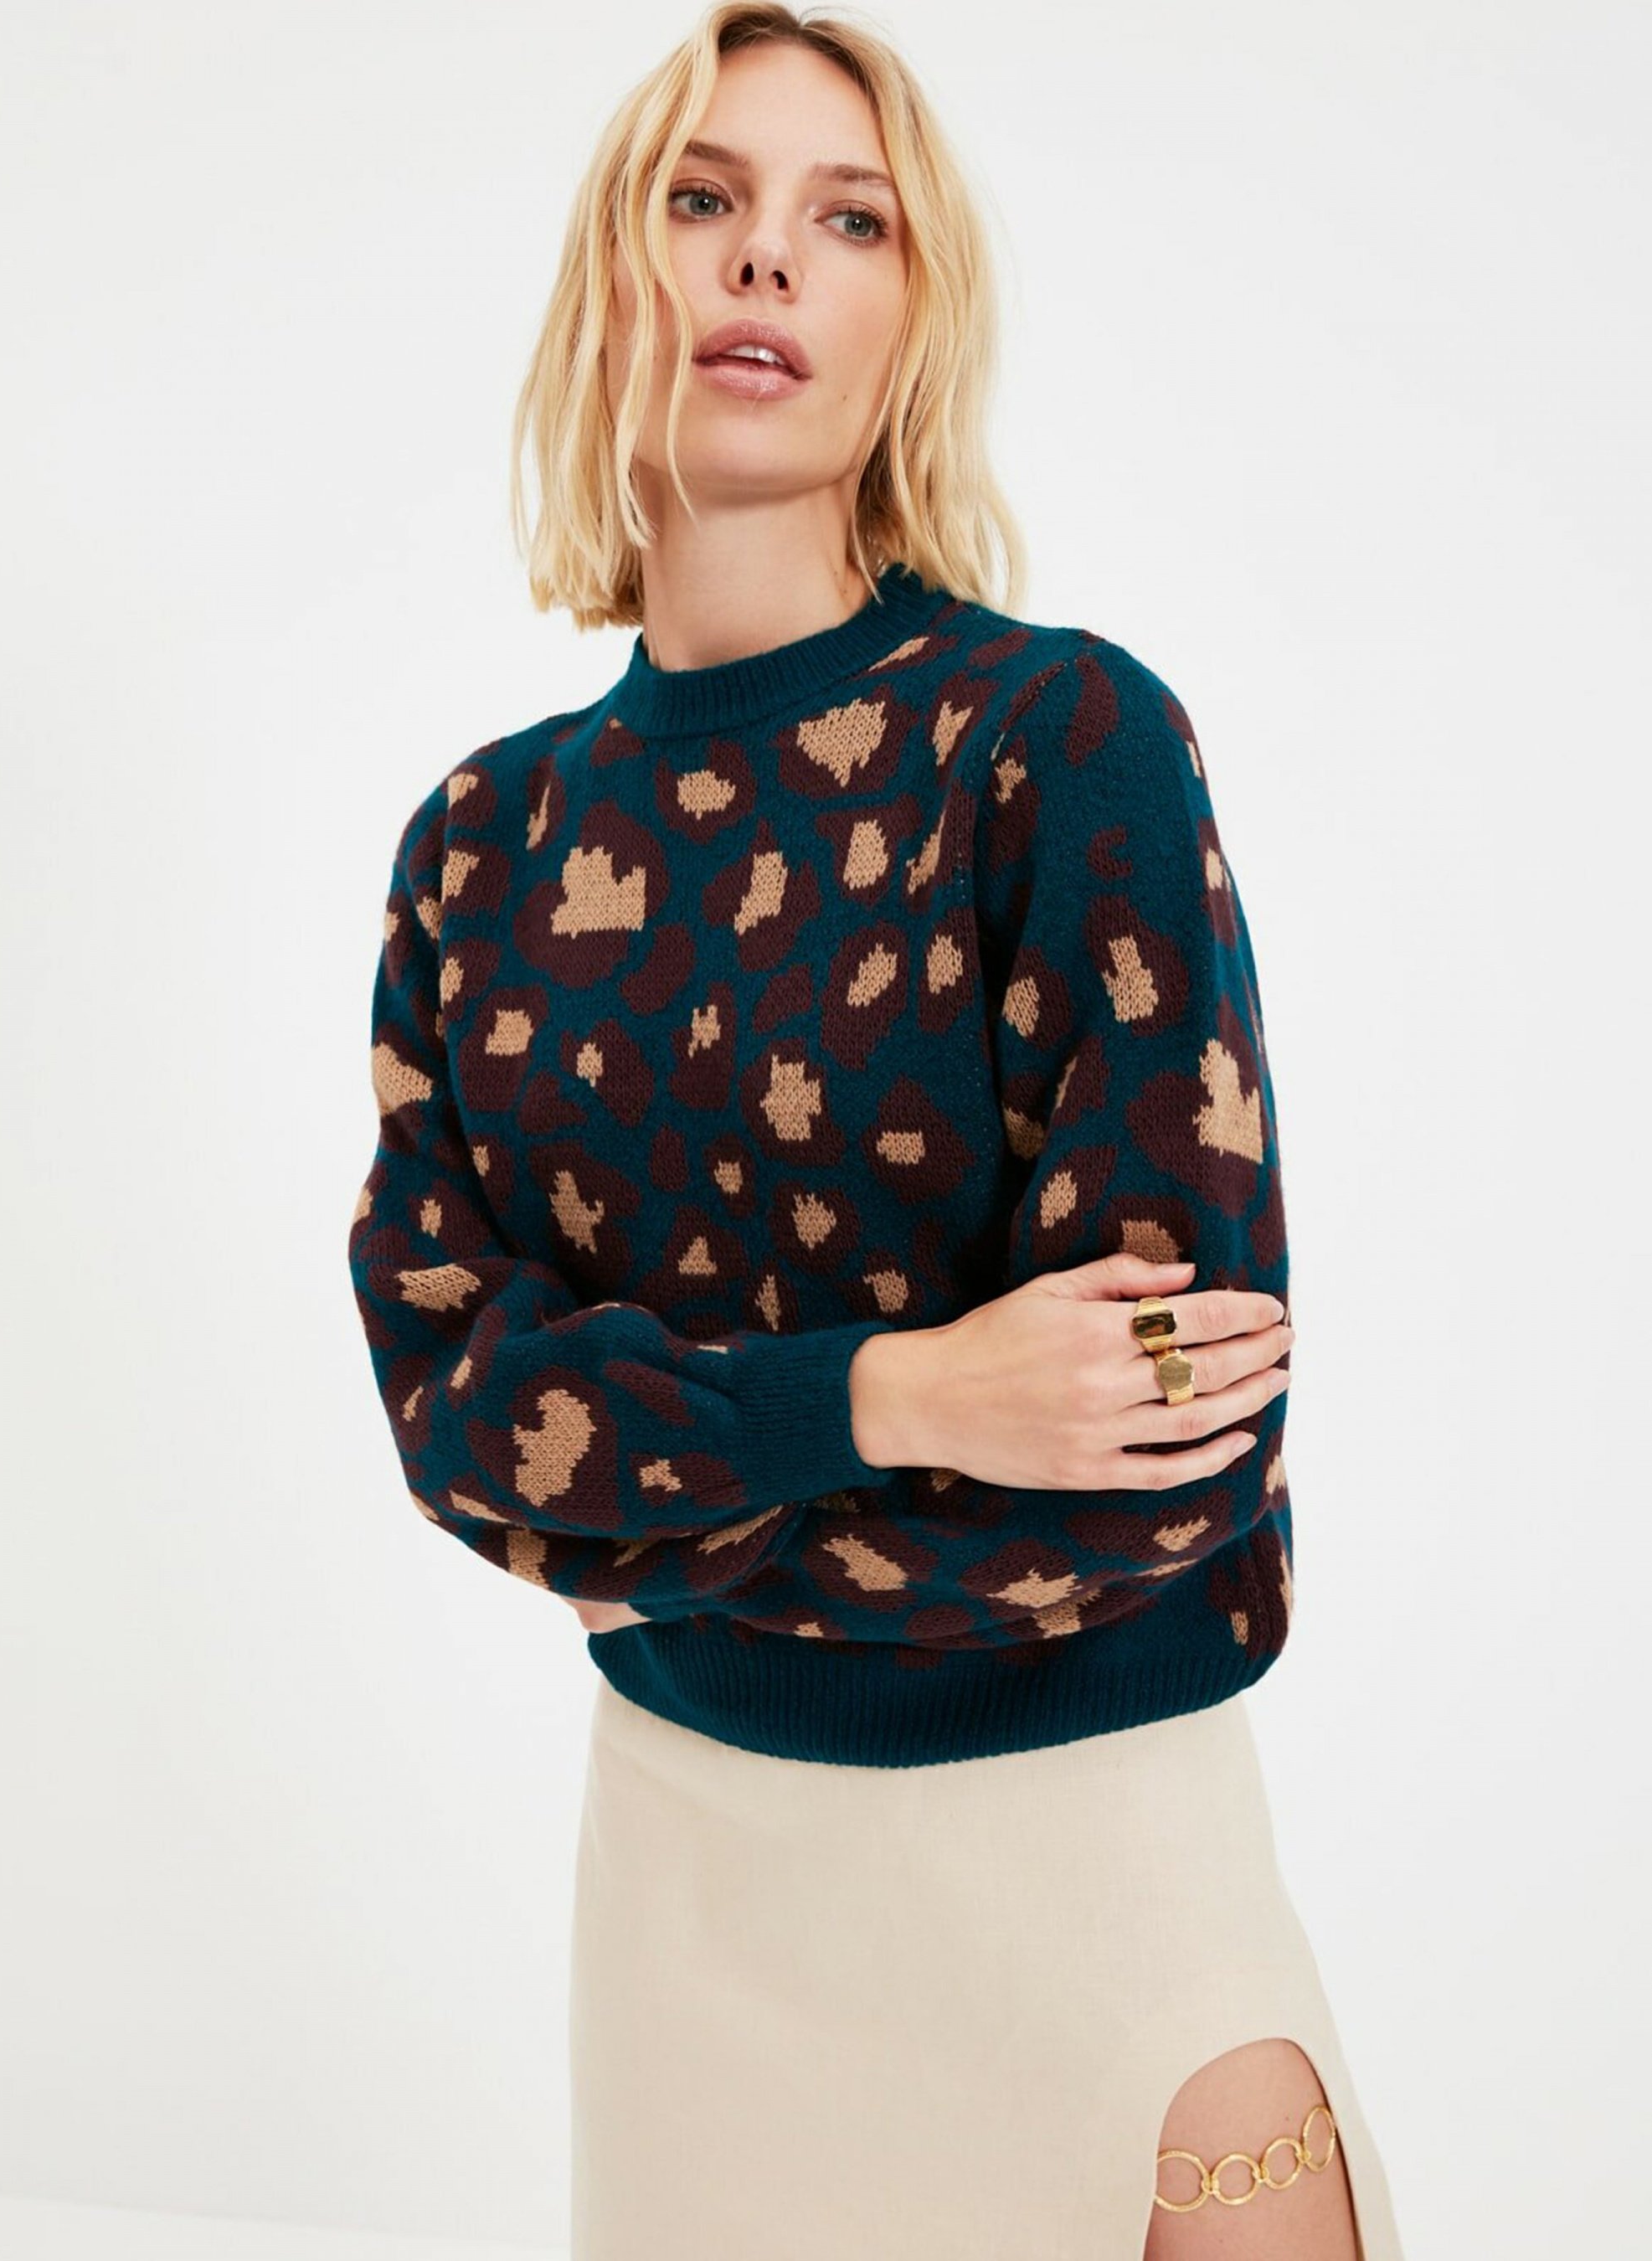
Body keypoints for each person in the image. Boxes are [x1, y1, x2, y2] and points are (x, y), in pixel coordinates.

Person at [345, 7, 1407, 2256]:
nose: (766, 261)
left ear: (913, 321)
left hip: (1099, 1848)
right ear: (613, 275)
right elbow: (455, 1423)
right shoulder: (480, 850)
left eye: (850, 221)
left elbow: (1168, 1442)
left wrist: (641, 1490)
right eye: (702, 199)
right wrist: (902, 1395)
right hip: (690, 1887)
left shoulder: (1057, 744)